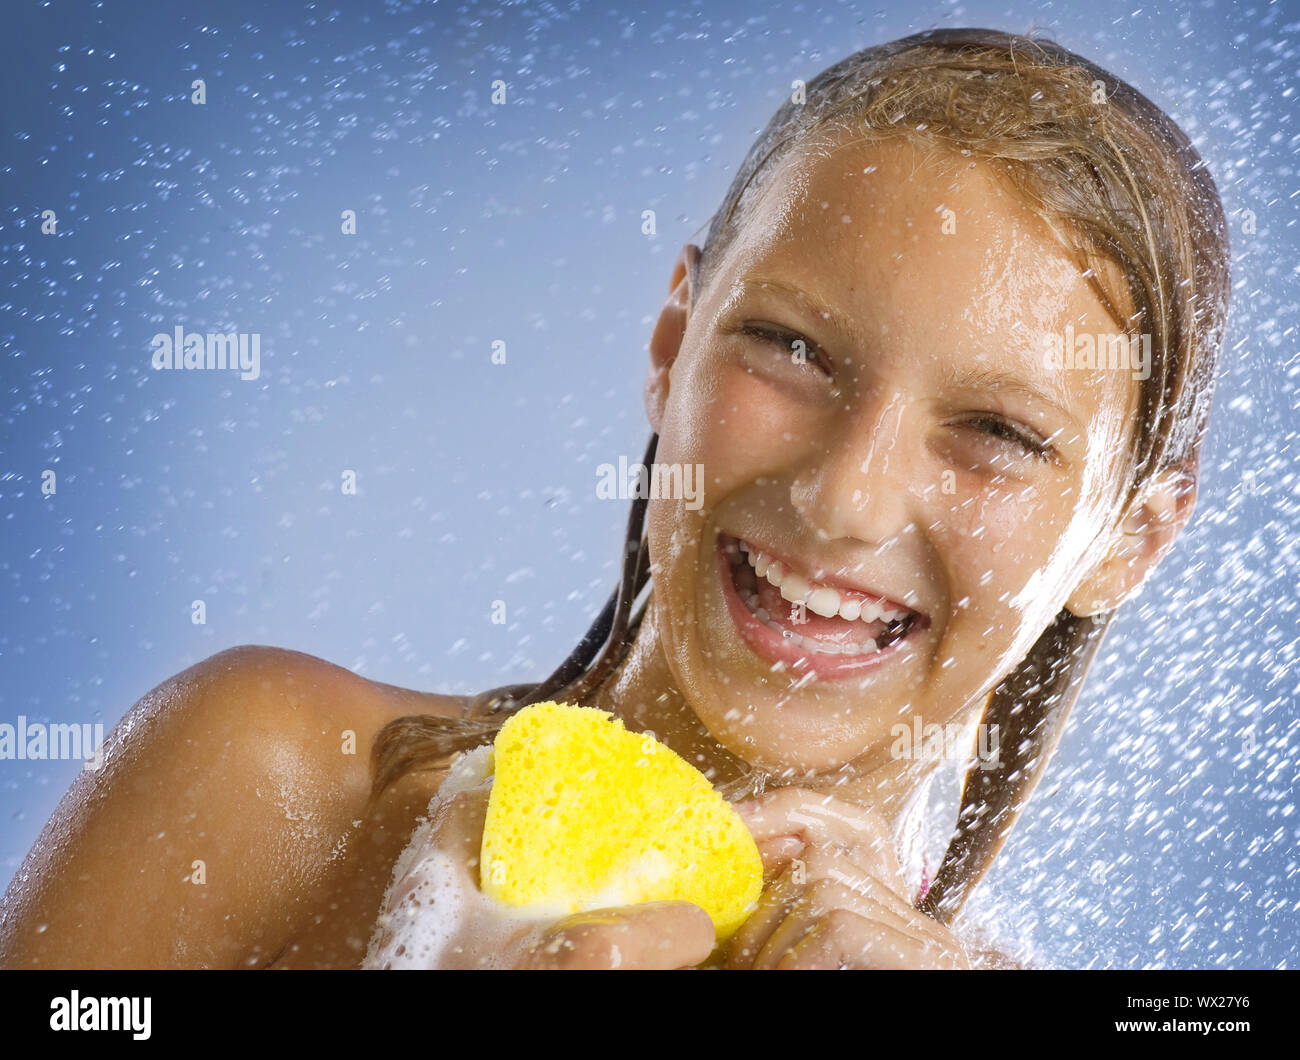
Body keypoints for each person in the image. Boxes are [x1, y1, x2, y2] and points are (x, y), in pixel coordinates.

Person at [0, 27, 1229, 970]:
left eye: (998, 432)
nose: (848, 496)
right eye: (794, 350)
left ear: (1128, 541)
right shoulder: (271, 781)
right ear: (671, 340)